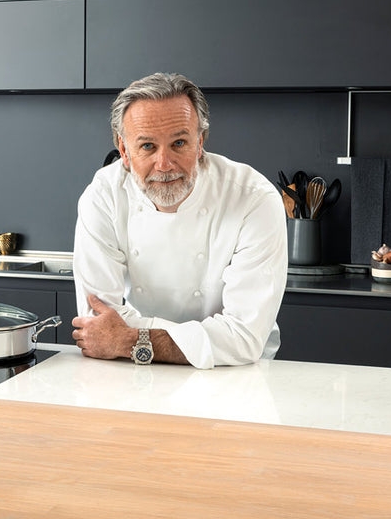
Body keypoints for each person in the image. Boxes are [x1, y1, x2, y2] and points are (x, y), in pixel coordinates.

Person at [72, 73, 287, 369]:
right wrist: (203, 341)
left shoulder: (253, 199)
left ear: (200, 143)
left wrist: (129, 339)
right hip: (131, 371)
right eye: (147, 146)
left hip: (234, 376)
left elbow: (243, 337)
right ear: (124, 150)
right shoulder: (103, 196)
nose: (164, 164)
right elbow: (99, 323)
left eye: (179, 143)